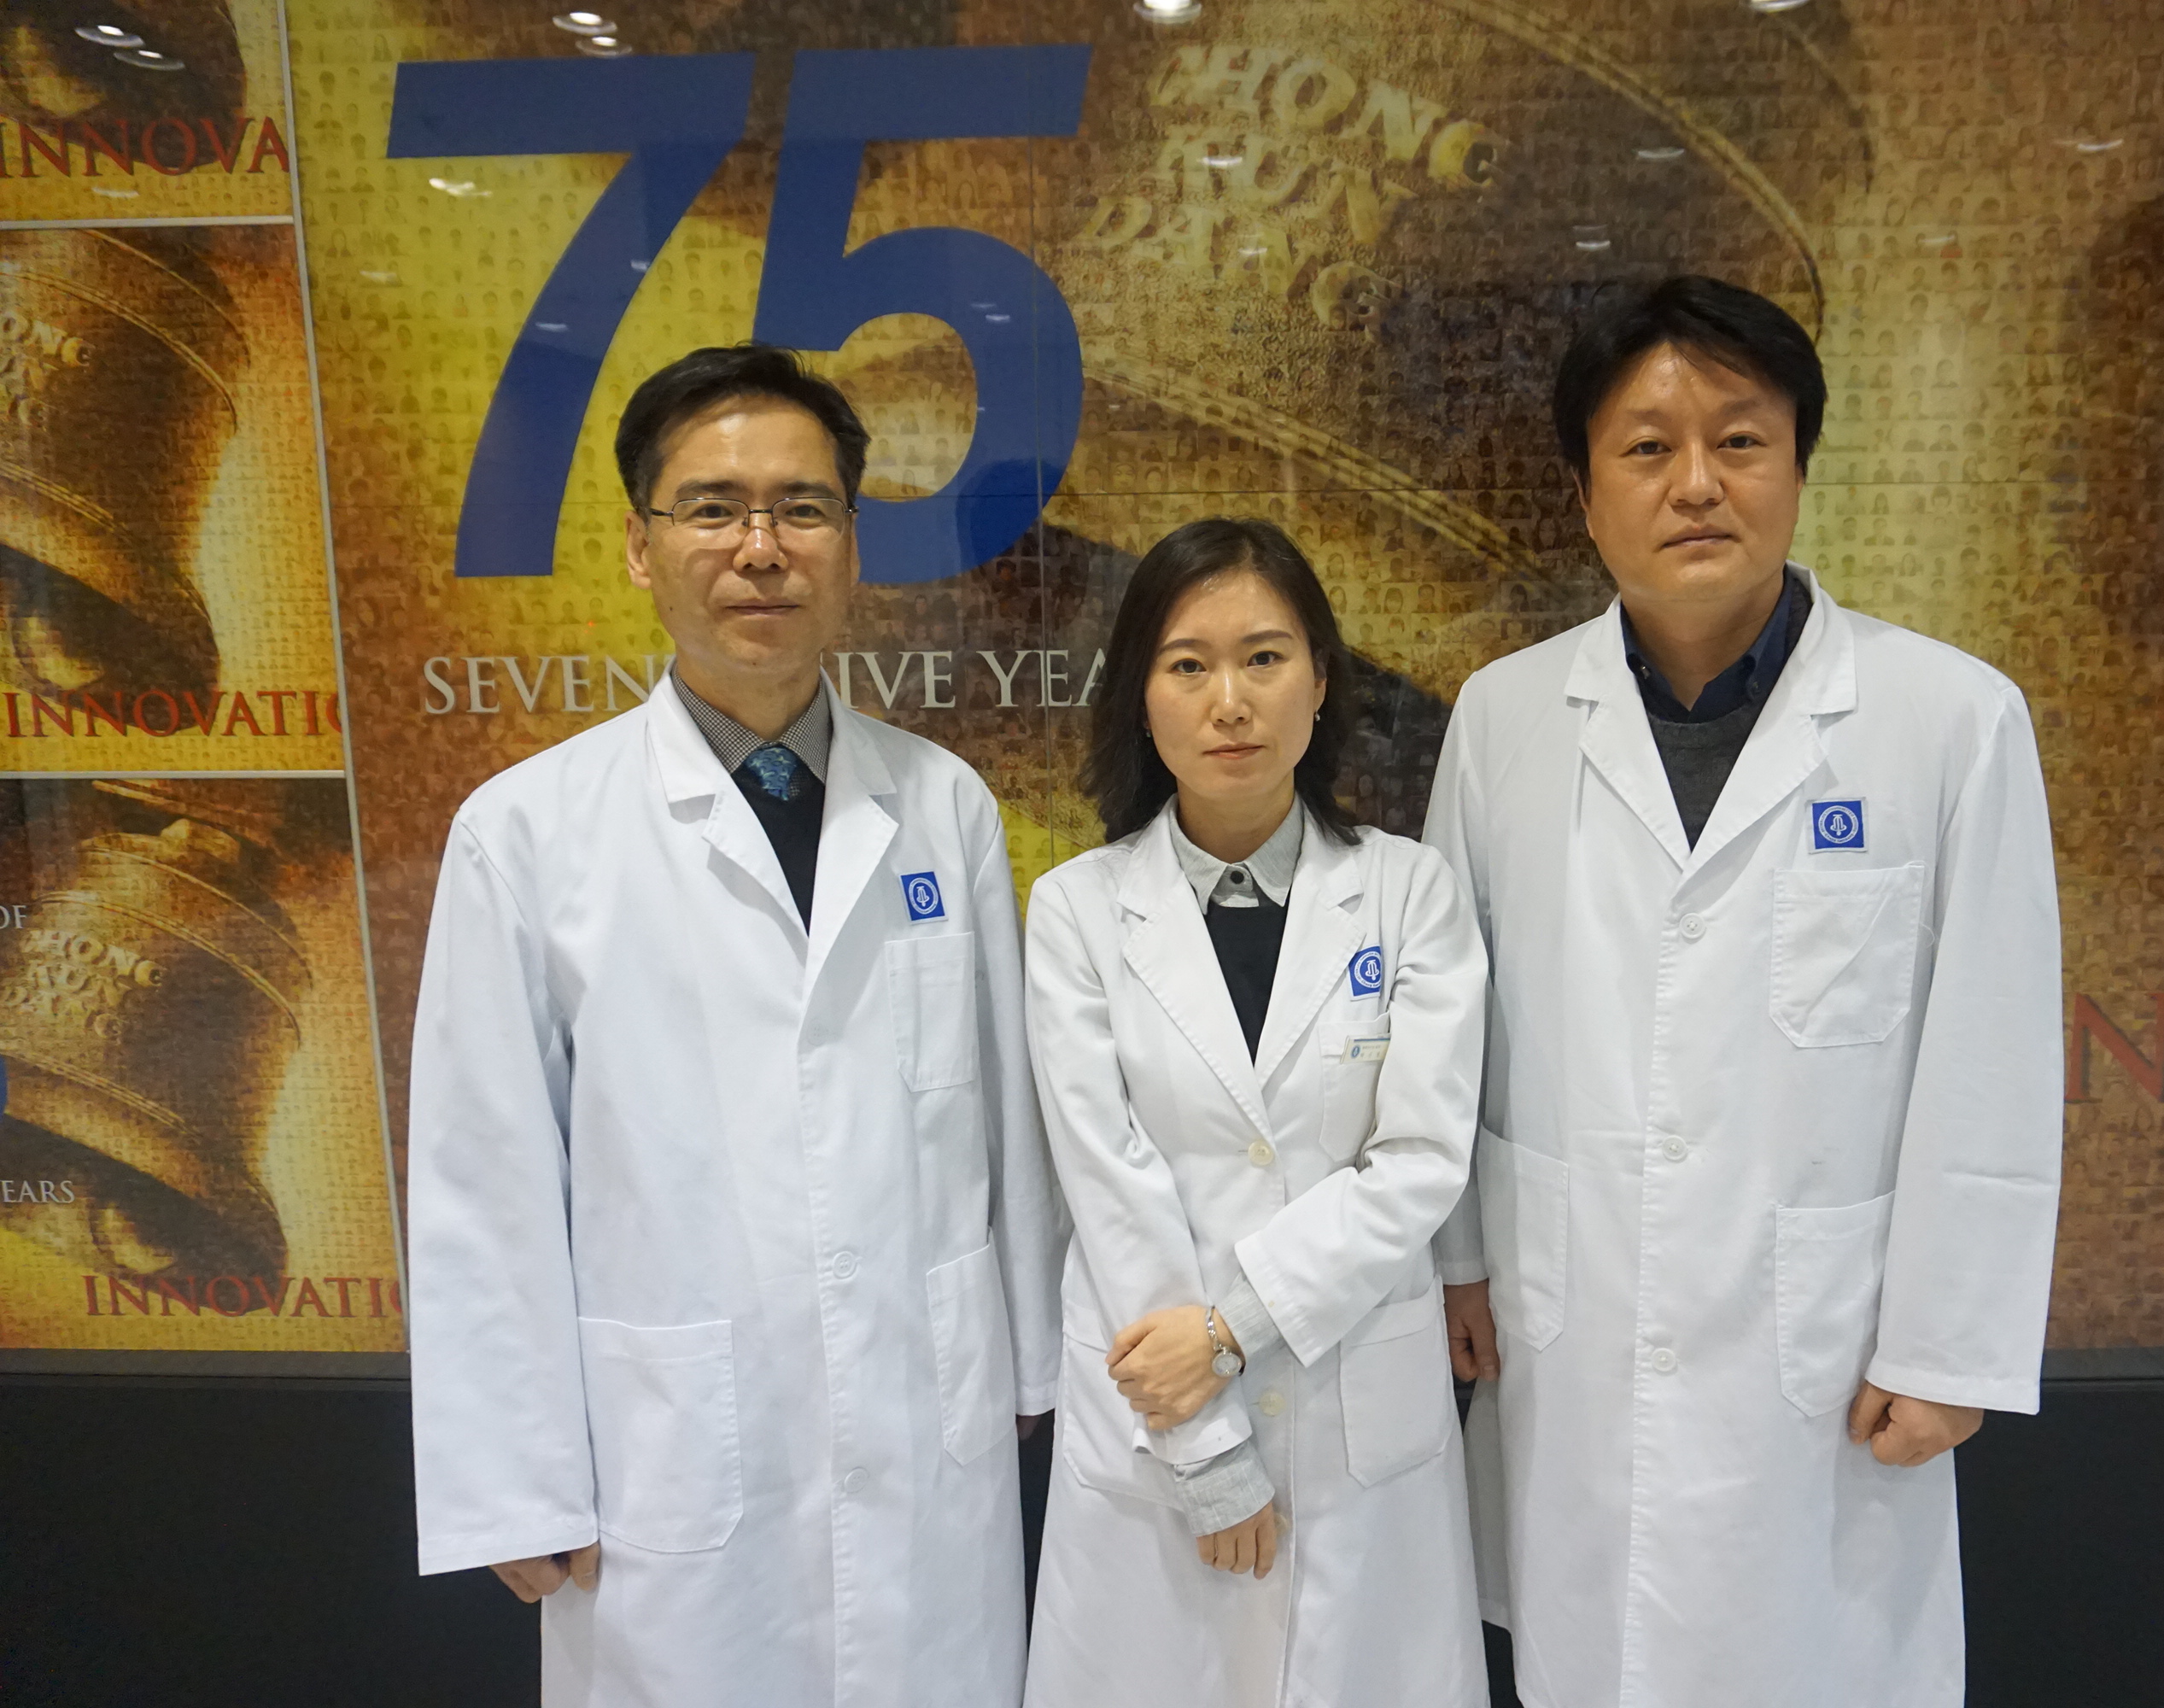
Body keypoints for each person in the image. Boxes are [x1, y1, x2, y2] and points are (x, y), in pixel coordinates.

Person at [1430, 276, 2063, 1705]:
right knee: (1588, 1653)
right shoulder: (1504, 717)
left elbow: (1995, 1054)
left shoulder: (1948, 720)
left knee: (1814, 1657)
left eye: (1740, 440)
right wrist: (1458, 1256)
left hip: (1825, 1347)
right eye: (1648, 448)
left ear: (1798, 467)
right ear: (1585, 493)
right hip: (1572, 1312)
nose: (1697, 484)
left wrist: (1951, 1344)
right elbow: (1451, 1021)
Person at [406, 343, 1063, 1707]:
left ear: (851, 545)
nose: (761, 548)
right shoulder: (526, 833)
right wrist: (515, 1475)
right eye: (713, 509)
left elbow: (1002, 1115)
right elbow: (483, 1179)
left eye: (801, 508)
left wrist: (1026, 1361)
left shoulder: (943, 805)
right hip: (674, 1454)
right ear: (639, 548)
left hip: (923, 1424)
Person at [1020, 518, 1488, 1708]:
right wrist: (1208, 1454)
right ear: (1142, 698)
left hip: (1353, 1413)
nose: (1230, 701)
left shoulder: (1410, 892)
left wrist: (1231, 1327)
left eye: (1265, 659)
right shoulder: (1077, 911)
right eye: (1188, 665)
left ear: (1321, 681)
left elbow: (1419, 1160)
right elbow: (1107, 1179)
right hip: (1159, 1418)